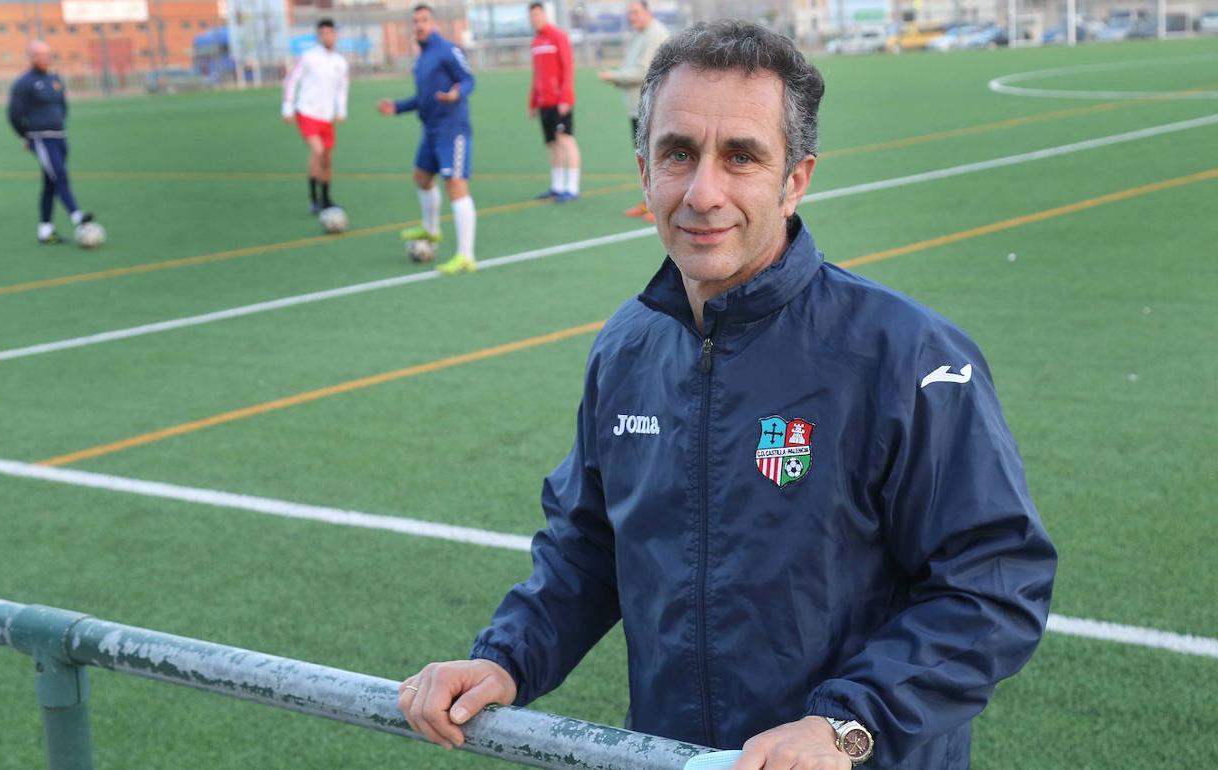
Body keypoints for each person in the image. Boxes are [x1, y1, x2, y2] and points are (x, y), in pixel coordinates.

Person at [397, 20, 1056, 770]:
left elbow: (994, 585)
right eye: (678, 153)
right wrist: (506, 659)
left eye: (741, 156)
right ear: (645, 171)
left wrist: (845, 725)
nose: (702, 192)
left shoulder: (906, 356)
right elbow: (588, 549)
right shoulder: (626, 349)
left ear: (795, 178)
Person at [379, 4, 479, 275]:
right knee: (421, 177)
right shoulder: (421, 58)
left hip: (452, 129)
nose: (419, 25)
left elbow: (469, 79)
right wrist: (397, 107)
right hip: (431, 130)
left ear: (433, 23)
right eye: (415, 21)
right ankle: (432, 229)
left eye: (424, 20)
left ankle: (466, 256)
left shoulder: (447, 50)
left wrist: (458, 92)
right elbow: (423, 98)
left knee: (456, 186)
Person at [7, 40, 94, 244]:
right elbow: (13, 114)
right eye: (39, 55)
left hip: (59, 137)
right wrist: (25, 136)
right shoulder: (24, 83)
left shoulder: (55, 78)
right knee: (60, 176)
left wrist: (60, 120)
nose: (45, 58)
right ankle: (78, 217)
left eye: (47, 54)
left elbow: (62, 104)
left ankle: (45, 231)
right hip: (41, 138)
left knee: (51, 182)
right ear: (31, 57)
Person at [599, 0, 669, 223]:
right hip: (637, 109)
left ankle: (659, 206)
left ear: (647, 11)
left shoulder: (655, 34)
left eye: (635, 12)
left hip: (652, 108)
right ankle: (648, 200)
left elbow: (643, 71)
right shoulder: (640, 34)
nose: (632, 16)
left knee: (655, 157)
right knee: (644, 156)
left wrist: (615, 76)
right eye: (629, 12)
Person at [282, 18, 350, 214]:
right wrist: (288, 107)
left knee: (327, 158)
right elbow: (292, 80)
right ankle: (314, 199)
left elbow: (342, 88)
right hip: (306, 112)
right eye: (323, 33)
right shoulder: (308, 57)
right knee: (318, 151)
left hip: (326, 117)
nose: (327, 36)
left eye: (330, 32)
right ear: (319, 36)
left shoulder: (340, 62)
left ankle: (326, 199)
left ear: (335, 35)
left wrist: (341, 109)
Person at [527, 2, 581, 202]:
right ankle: (557, 186)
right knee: (552, 143)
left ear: (545, 15)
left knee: (565, 140)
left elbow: (568, 69)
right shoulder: (535, 42)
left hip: (560, 101)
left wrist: (566, 97)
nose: (535, 19)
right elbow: (537, 75)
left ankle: (572, 187)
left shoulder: (558, 37)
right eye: (532, 16)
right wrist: (533, 102)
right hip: (544, 102)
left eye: (538, 15)